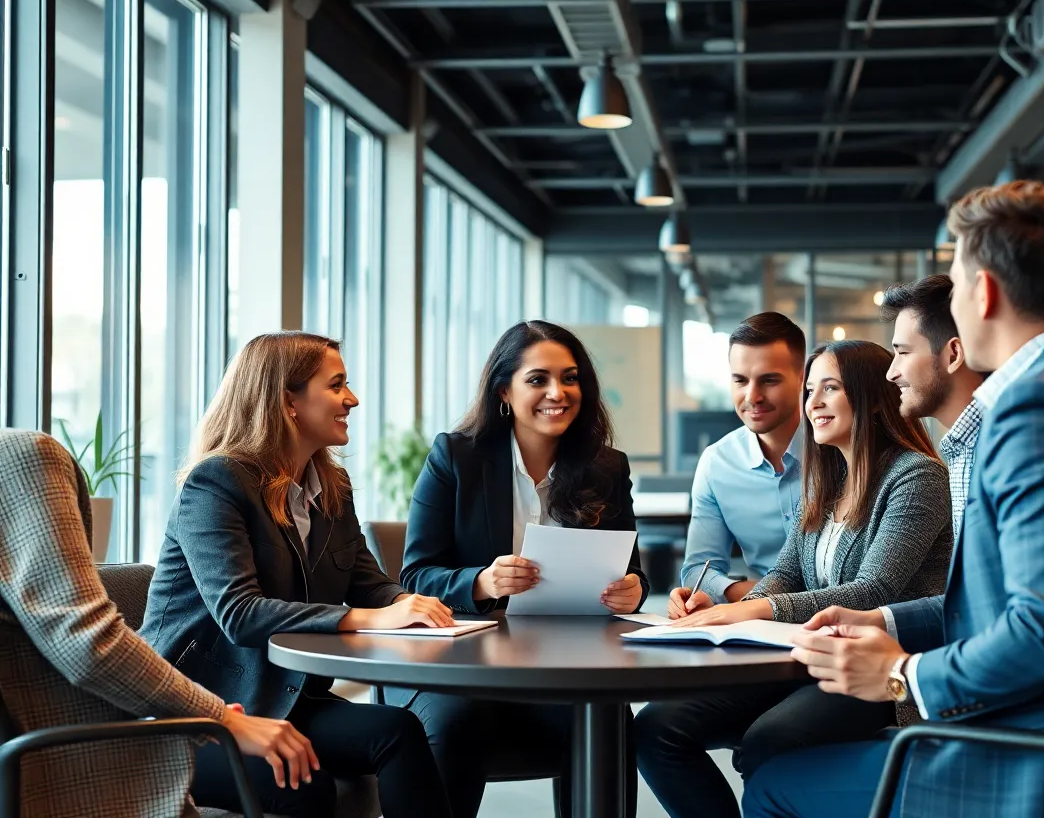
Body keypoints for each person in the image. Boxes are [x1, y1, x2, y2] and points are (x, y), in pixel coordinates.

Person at [744, 182, 1044, 818]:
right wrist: (886, 622)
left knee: (774, 785)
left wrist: (903, 674)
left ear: (983, 292)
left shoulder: (1039, 408)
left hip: (1037, 764)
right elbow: (1033, 601)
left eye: (957, 286)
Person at [636, 339, 953, 818]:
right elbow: (785, 573)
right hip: (802, 660)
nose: (814, 404)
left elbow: (873, 592)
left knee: (770, 741)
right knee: (656, 729)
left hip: (873, 674)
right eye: (810, 391)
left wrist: (753, 607)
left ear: (870, 398)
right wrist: (730, 616)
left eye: (831, 388)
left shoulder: (917, 477)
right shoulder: (829, 480)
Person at [140, 332, 452, 818]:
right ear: (289, 401)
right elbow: (239, 614)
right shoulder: (217, 482)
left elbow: (368, 583)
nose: (352, 399)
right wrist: (366, 620)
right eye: (336, 385)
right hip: (197, 714)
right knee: (304, 785)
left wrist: (409, 607)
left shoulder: (331, 485)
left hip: (285, 700)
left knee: (398, 731)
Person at [395, 320, 648, 818]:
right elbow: (414, 576)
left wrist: (633, 590)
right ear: (504, 392)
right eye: (538, 380)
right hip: (461, 669)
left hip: (564, 664)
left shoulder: (607, 466)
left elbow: (634, 571)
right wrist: (481, 582)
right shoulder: (456, 457)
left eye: (570, 378)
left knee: (607, 719)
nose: (558, 392)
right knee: (456, 722)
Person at [0, 428, 319, 818]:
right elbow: (87, 642)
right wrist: (219, 718)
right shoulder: (21, 457)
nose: (351, 400)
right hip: (71, 767)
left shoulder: (325, 490)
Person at [669, 312, 806, 619]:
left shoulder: (840, 451)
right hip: (760, 625)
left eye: (769, 380)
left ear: (802, 378)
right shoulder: (717, 463)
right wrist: (751, 596)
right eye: (740, 380)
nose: (752, 396)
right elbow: (697, 572)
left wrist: (756, 597)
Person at [881, 274, 987, 541]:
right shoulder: (961, 447)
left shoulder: (1000, 444)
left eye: (903, 352)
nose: (891, 373)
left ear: (953, 355)